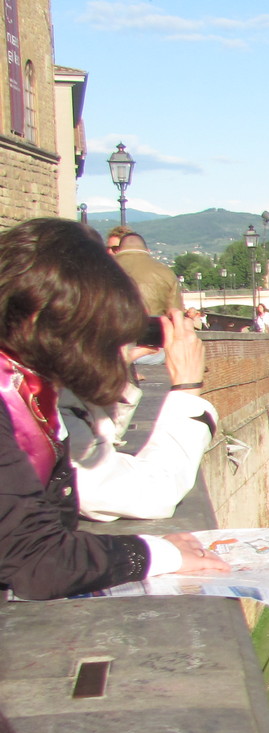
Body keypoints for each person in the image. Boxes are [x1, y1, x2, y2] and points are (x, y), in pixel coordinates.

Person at [0, 218, 227, 599]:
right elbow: (38, 558)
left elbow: (71, 486)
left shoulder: (25, 386)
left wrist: (103, 370)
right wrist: (160, 554)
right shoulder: (13, 400)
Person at [66, 310, 219, 523]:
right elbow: (150, 492)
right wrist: (187, 387)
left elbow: (98, 443)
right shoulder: (21, 400)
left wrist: (107, 377)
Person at [110, 232, 182, 317]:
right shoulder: (166, 273)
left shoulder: (103, 270)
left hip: (111, 328)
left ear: (118, 250)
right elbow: (175, 313)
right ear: (148, 251)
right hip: (154, 328)